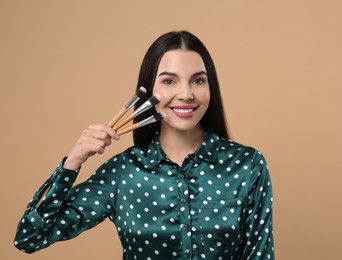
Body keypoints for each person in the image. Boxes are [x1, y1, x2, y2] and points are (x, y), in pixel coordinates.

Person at [14, 31, 275, 259]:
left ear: (211, 87)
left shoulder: (246, 165)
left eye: (198, 80)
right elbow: (30, 237)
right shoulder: (123, 172)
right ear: (148, 90)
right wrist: (73, 161)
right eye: (169, 81)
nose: (186, 93)